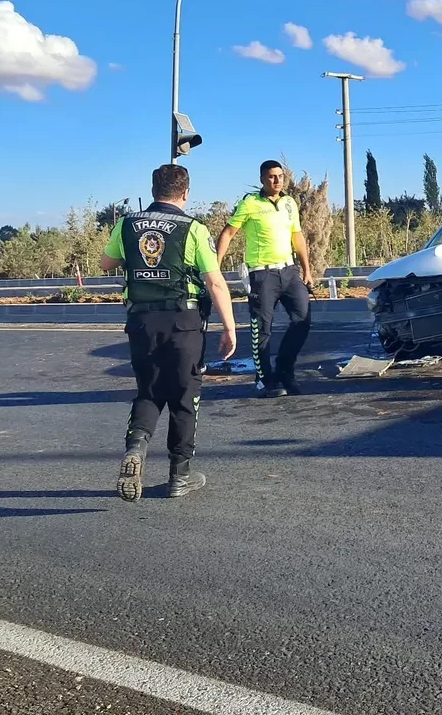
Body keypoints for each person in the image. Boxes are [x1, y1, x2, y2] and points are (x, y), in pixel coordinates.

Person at [101, 164, 237, 502]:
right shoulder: (192, 229)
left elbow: (106, 264)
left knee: (148, 391)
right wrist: (230, 327)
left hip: (141, 323)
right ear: (186, 192)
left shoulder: (127, 224)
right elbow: (214, 280)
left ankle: (136, 447)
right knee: (183, 398)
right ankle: (180, 476)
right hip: (183, 323)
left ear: (153, 190)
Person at [216, 160, 313, 397]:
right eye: (271, 177)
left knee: (303, 320)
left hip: (289, 272)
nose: (277, 180)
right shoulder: (250, 202)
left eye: (280, 176)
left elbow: (297, 236)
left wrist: (307, 270)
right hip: (262, 274)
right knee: (263, 329)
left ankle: (285, 371)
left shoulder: (290, 203)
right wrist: (215, 268)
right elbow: (228, 233)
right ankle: (264, 380)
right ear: (262, 179)